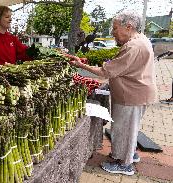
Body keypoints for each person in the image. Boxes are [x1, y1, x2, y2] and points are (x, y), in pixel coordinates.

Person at [67, 11, 157, 176]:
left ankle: (125, 164)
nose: (112, 32)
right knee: (130, 128)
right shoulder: (140, 39)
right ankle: (129, 154)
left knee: (124, 129)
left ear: (128, 26)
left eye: (115, 28)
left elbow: (106, 71)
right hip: (138, 92)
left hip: (131, 95)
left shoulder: (133, 46)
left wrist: (81, 65)